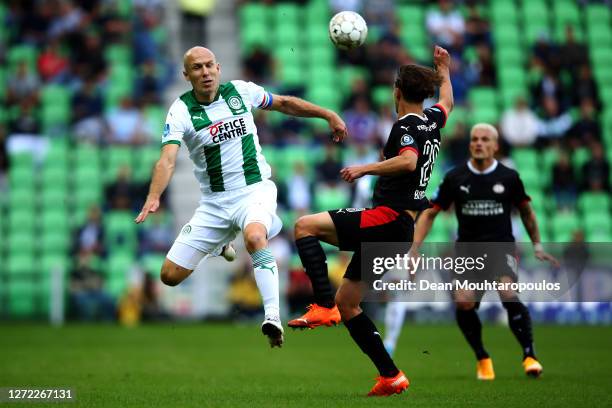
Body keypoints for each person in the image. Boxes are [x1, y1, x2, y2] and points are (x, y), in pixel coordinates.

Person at [135, 47, 346, 348]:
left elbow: (284, 103)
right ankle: (222, 243)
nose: (205, 72)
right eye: (197, 68)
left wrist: (327, 114)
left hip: (254, 191)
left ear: (219, 68)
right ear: (187, 75)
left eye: (209, 65)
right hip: (214, 205)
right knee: (169, 275)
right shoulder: (181, 110)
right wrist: (154, 197)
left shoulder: (241, 92)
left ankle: (272, 316)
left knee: (256, 237)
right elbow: (167, 159)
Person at [288, 46, 454, 396]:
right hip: (399, 228)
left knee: (304, 226)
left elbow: (408, 161)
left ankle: (322, 306)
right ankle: (390, 375)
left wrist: (366, 168)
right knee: (351, 304)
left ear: (396, 91)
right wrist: (445, 70)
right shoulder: (432, 120)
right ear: (423, 94)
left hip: (388, 218)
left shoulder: (405, 125)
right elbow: (448, 103)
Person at [408, 123, 559, 380]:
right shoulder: (455, 178)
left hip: (501, 246)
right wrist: (414, 248)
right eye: (475, 139)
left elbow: (527, 213)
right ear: (469, 145)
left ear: (495, 146)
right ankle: (482, 357)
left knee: (507, 292)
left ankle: (529, 355)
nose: (479, 143)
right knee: (464, 302)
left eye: (485, 139)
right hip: (468, 250)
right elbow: (430, 213)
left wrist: (537, 246)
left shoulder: (509, 178)